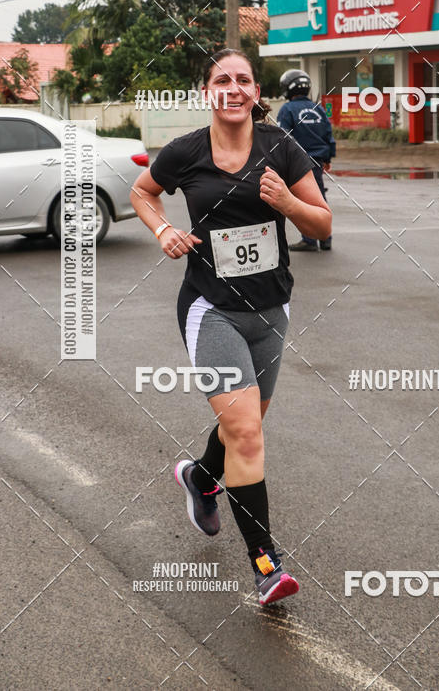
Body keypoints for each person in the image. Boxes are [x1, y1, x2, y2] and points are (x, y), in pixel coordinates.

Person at [130, 49, 332, 606]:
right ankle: (266, 566)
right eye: (223, 80)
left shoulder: (281, 147)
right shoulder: (186, 151)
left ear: (256, 91)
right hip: (210, 306)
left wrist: (287, 201)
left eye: (244, 79)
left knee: (244, 426)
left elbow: (322, 223)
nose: (234, 88)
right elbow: (143, 192)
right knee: (245, 433)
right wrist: (163, 230)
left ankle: (200, 479)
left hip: (271, 310)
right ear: (208, 92)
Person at [276, 69, 335, 251]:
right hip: (317, 160)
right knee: (318, 197)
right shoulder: (318, 108)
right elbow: (328, 134)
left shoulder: (287, 109)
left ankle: (310, 240)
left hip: (299, 162)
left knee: (303, 198)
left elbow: (284, 137)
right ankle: (325, 238)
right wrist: (327, 158)